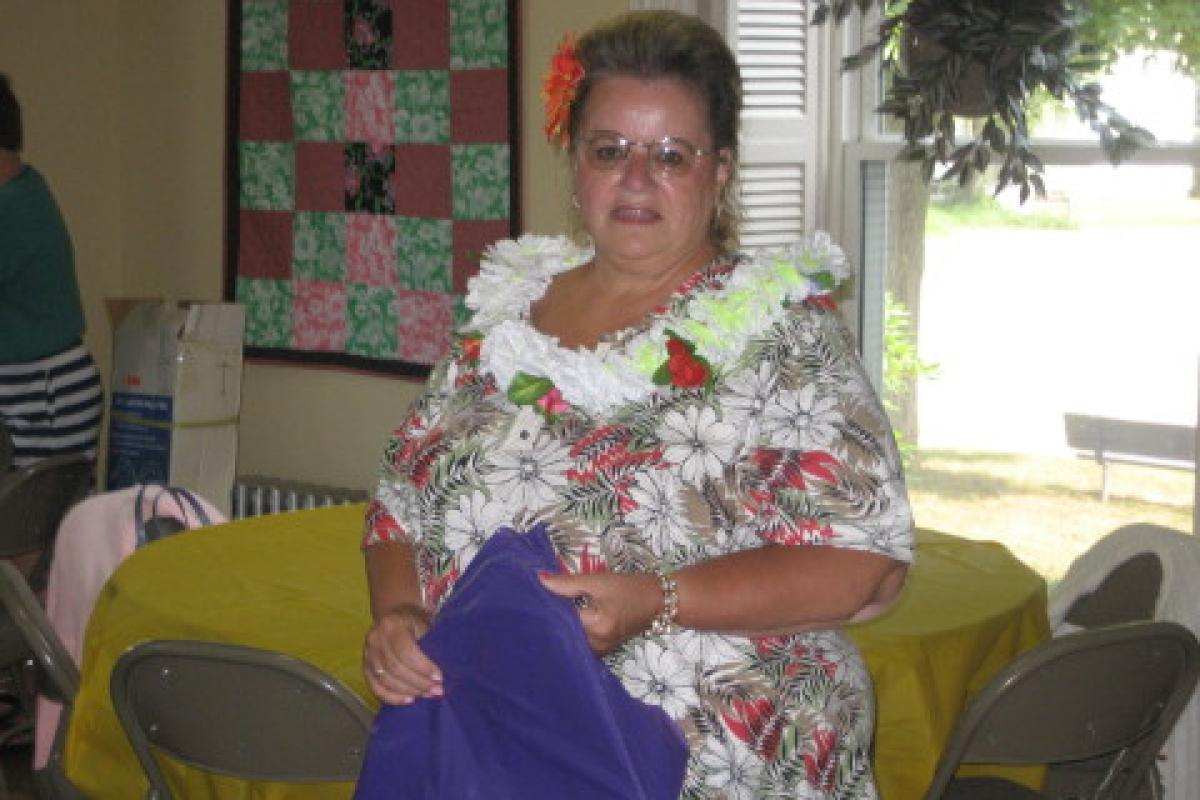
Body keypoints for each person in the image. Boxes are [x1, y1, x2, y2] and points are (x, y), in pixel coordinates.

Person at [360, 11, 914, 799]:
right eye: (610, 149)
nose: (637, 177)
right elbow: (399, 507)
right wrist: (399, 616)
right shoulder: (503, 316)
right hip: (490, 746)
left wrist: (659, 600)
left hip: (710, 757)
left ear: (720, 171)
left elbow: (862, 564)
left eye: (672, 155)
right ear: (576, 162)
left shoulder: (783, 331)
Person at [0, 73, 103, 468]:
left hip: (41, 396)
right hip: (41, 390)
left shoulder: (12, 210)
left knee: (32, 505)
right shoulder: (28, 188)